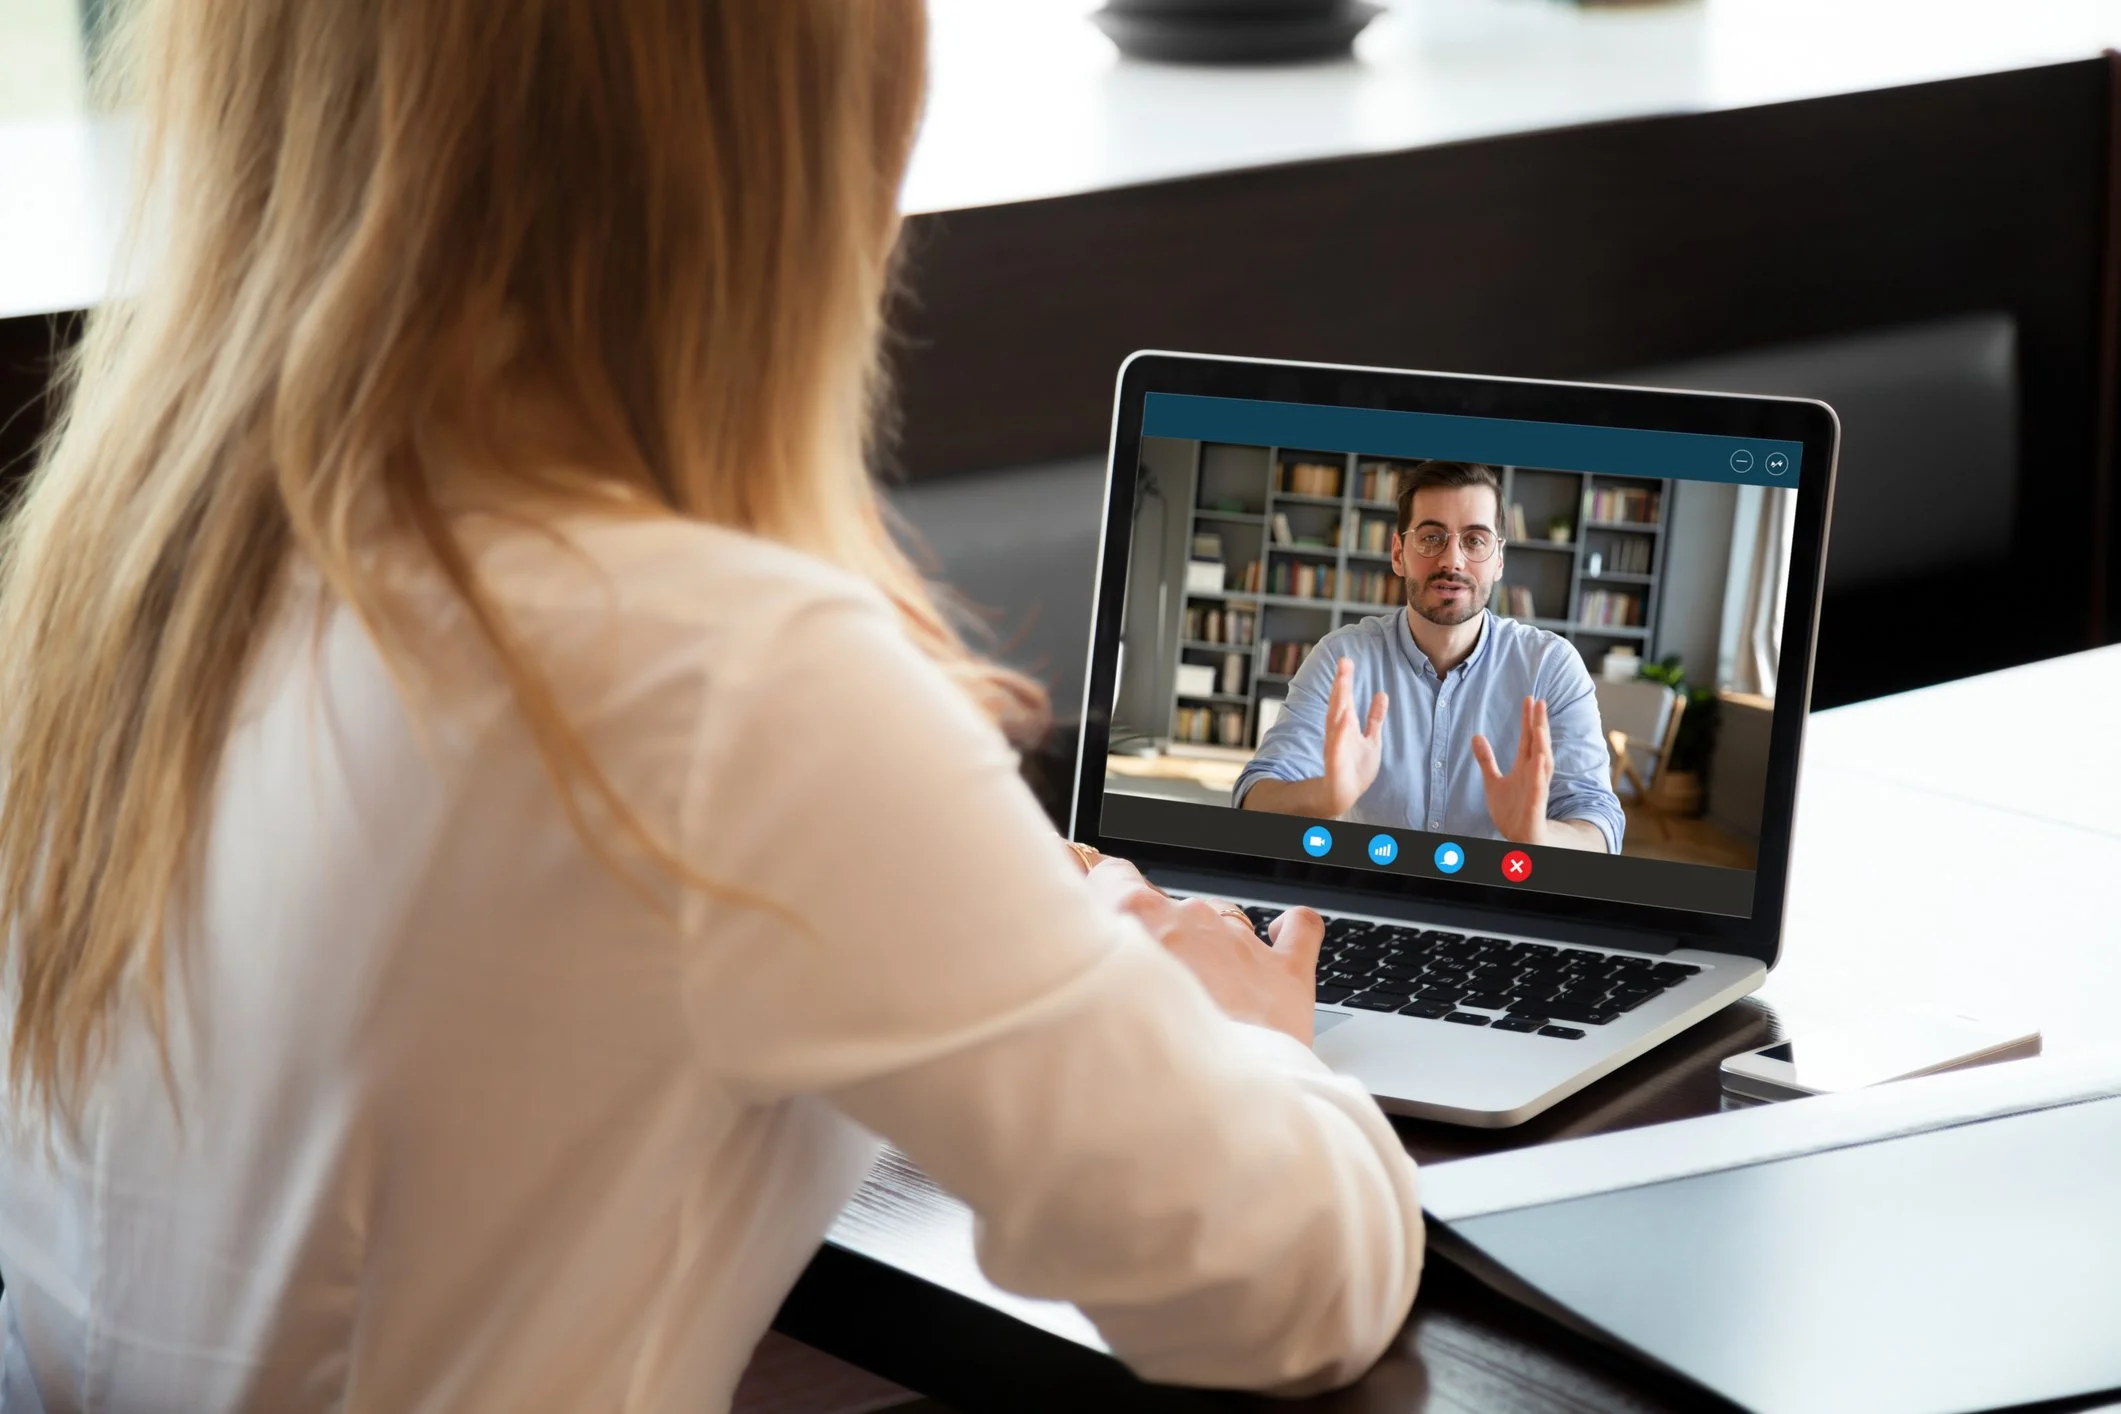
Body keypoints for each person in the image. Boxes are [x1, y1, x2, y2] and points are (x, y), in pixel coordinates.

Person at [0, 2, 1423, 1409]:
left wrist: (988, 953)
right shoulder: (719, 678)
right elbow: (1277, 1285)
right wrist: (1235, 1039)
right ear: (791, 144)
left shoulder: (116, 584)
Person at [1236, 461, 1623, 853]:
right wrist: (1323, 796)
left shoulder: (1552, 667)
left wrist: (1536, 834)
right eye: (1431, 537)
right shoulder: (1341, 659)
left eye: (1474, 540)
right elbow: (1254, 798)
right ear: (1398, 553)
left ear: (1499, 559)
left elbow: (1599, 828)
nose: (1452, 560)